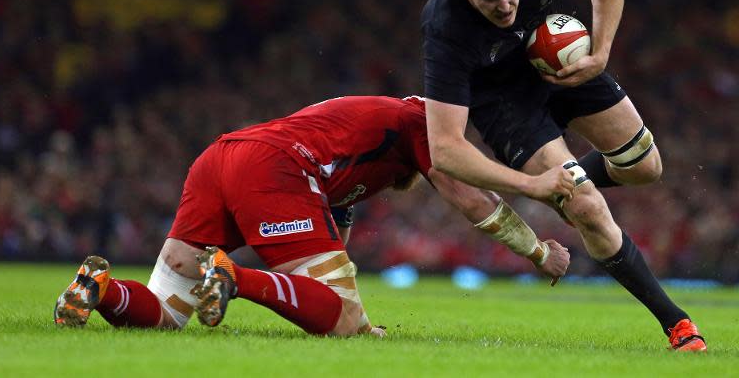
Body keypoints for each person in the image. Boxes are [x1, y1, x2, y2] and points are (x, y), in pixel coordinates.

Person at [54, 95, 571, 336]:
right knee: (344, 322)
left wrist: (336, 297)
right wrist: (538, 250)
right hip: (274, 168)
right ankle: (234, 276)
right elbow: (473, 200)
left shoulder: (360, 138)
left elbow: (332, 237)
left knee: (168, 314)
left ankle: (99, 288)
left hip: (222, 157)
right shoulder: (420, 121)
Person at [420, 0, 707, 351]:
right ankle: (677, 323)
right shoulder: (444, 28)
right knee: (587, 205)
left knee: (646, 168)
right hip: (504, 103)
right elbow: (444, 149)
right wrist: (531, 186)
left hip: (553, 57)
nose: (505, 5)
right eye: (489, 0)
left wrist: (601, 55)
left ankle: (567, 186)